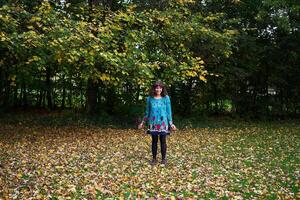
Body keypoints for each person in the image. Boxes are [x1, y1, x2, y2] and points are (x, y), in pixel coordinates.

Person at [138, 80, 177, 166]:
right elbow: (147, 112)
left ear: (162, 89)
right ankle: (154, 159)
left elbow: (168, 112)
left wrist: (171, 124)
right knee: (154, 141)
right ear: (154, 89)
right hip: (153, 123)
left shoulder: (166, 98)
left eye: (160, 88)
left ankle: (163, 159)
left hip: (163, 123)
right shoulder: (149, 99)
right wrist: (143, 122)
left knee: (163, 141)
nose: (158, 90)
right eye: (156, 88)